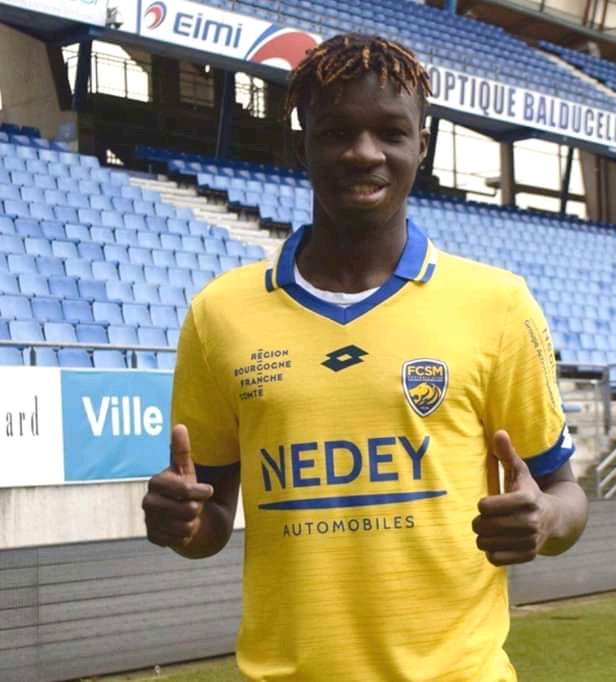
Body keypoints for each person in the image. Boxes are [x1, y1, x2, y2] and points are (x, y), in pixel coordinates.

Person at [142, 33, 589, 682]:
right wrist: (178, 523)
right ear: (300, 146)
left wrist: (546, 519)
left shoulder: (497, 304)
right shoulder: (221, 314)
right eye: (336, 132)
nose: (364, 152)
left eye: (391, 132)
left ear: (421, 146)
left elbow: (566, 494)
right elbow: (209, 520)